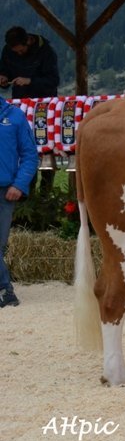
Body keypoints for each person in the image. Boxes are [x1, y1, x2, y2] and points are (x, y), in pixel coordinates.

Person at [0, 95, 38, 308]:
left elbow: (30, 154)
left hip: (4, 190)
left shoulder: (14, 115)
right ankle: (6, 291)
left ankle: (5, 291)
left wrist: (19, 184)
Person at [0, 27, 60, 99]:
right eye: (15, 52)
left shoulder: (46, 51)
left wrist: (29, 81)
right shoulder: (7, 51)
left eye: (21, 50)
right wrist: (4, 77)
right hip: (20, 99)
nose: (19, 53)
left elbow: (53, 81)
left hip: (43, 100)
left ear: (28, 41)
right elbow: (5, 70)